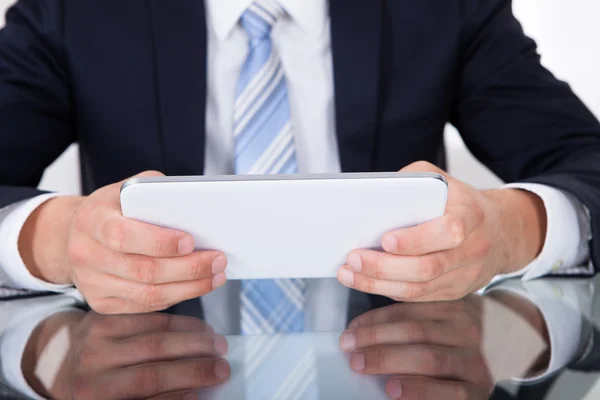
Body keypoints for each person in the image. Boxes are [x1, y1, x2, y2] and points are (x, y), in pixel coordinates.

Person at [0, 0, 599, 333]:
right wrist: (53, 241)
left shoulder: (446, 9)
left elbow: (587, 163)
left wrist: (510, 230)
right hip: (138, 367)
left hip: (402, 372)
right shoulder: (69, 11)